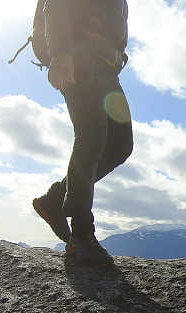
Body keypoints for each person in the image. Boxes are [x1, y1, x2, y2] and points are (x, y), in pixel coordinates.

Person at [31, 0, 133, 267]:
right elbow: (56, 5)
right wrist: (61, 53)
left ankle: (55, 200)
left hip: (106, 69)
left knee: (121, 144)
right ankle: (81, 234)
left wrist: (119, 57)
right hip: (81, 61)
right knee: (91, 135)